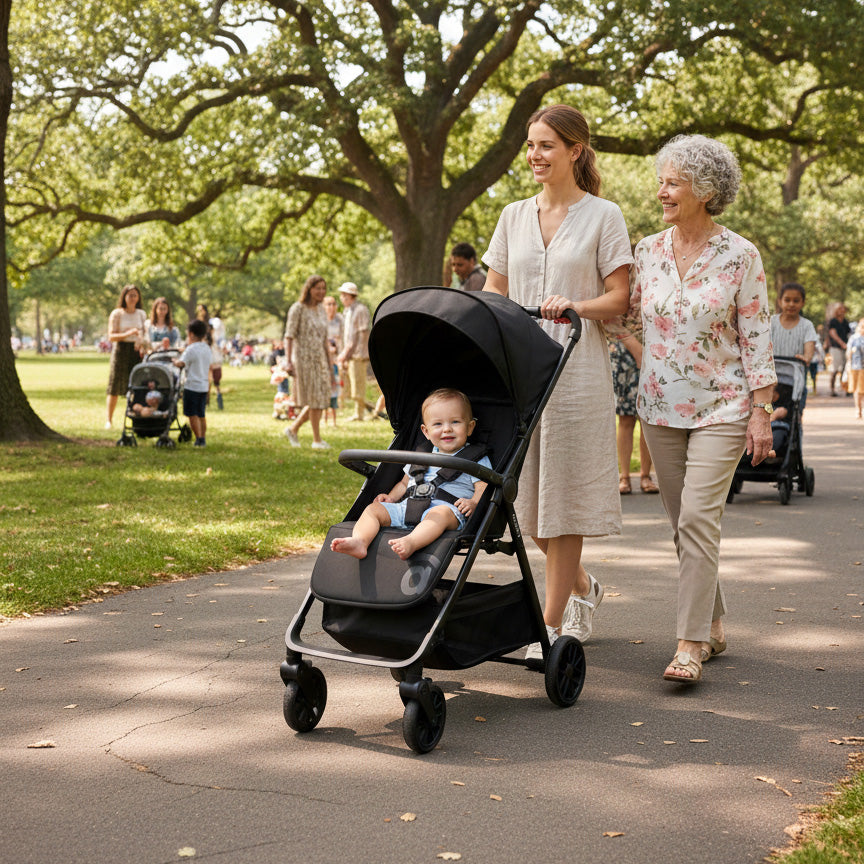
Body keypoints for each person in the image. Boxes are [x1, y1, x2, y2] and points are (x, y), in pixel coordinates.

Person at [614, 134, 776, 685]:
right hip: (659, 407)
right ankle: (714, 620)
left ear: (704, 191)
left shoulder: (741, 254)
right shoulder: (648, 250)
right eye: (661, 180)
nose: (661, 191)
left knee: (699, 519)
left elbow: (756, 337)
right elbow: (629, 319)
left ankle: (690, 644)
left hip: (723, 408)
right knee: (684, 525)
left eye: (672, 182)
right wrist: (640, 355)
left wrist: (761, 410)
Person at [481, 103, 633, 660]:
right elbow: (494, 293)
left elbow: (620, 296)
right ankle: (584, 587)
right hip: (520, 375)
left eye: (546, 145)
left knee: (563, 500)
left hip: (576, 375)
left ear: (575, 151)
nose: (535, 155)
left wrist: (576, 305)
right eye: (530, 146)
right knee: (522, 504)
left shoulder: (603, 215)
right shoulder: (512, 215)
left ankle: (545, 624)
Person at [331, 389, 491, 561]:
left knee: (440, 514)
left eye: (455, 422)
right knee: (373, 509)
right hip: (409, 506)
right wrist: (391, 498)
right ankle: (360, 541)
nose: (447, 429)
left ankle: (411, 542)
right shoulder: (421, 454)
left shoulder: (475, 458)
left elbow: (484, 486)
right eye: (438, 424)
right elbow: (403, 484)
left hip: (447, 509)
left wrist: (474, 502)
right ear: (426, 431)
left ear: (470, 427)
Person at [607, 287, 659, 494]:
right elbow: (609, 317)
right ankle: (624, 477)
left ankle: (646, 476)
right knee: (626, 418)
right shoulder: (621, 271)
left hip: (654, 349)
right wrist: (635, 349)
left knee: (647, 416)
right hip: (624, 352)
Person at [283, 274, 333, 449]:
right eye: (317, 288)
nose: (321, 292)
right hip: (303, 359)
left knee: (320, 398)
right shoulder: (297, 308)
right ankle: (316, 439)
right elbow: (289, 336)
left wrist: (330, 363)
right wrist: (288, 362)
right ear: (309, 289)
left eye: (323, 288)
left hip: (320, 359)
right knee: (315, 399)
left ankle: (293, 428)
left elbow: (325, 340)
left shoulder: (321, 310)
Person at [105, 284, 148, 429]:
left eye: (135, 295)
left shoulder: (141, 314)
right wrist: (128, 334)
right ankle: (109, 420)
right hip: (121, 350)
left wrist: (141, 341)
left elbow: (145, 332)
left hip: (136, 351)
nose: (132, 298)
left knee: (137, 384)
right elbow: (111, 336)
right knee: (115, 385)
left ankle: (135, 418)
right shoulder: (117, 313)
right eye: (130, 295)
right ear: (124, 297)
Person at [769, 283, 817, 412]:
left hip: (795, 380)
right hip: (770, 379)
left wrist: (806, 357)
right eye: (787, 300)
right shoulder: (770, 322)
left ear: (803, 303)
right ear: (779, 301)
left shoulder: (807, 326)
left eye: (796, 301)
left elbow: (809, 348)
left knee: (796, 414)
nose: (791, 304)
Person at [335, 282, 375, 421]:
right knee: (352, 387)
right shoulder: (347, 311)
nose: (342, 297)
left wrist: (349, 352)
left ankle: (367, 412)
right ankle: (363, 412)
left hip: (358, 354)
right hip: (349, 352)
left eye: (344, 295)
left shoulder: (360, 310)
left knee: (358, 388)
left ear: (350, 296)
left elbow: (361, 334)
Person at [172, 319, 212, 447]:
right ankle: (203, 438)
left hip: (192, 386)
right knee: (201, 414)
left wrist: (174, 360)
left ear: (191, 334)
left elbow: (181, 363)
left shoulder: (190, 350)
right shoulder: (206, 348)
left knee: (192, 414)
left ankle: (198, 439)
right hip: (204, 386)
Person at [322, 294, 344, 426]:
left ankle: (334, 414)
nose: (331, 307)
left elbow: (343, 339)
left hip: (336, 358)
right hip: (324, 358)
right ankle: (324, 415)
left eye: (333, 304)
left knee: (335, 385)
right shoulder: (321, 320)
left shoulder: (340, 320)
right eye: (328, 304)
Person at [827, 303, 851, 397]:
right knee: (835, 369)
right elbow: (833, 334)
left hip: (845, 347)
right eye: (840, 309)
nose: (842, 310)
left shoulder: (845, 321)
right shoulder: (833, 321)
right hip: (835, 347)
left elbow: (849, 333)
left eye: (843, 309)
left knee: (846, 368)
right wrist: (842, 343)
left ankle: (846, 388)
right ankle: (832, 390)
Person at [846, 317, 864, 419]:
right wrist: (848, 365)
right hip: (856, 367)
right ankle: (858, 409)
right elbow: (848, 353)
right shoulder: (854, 338)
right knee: (858, 390)